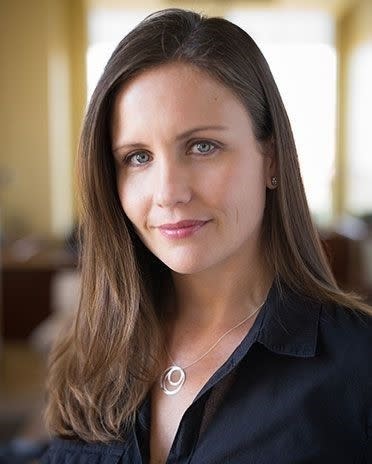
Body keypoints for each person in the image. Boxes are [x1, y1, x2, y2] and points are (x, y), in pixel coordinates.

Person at [41, 8, 372, 464]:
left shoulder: (358, 366)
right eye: (138, 157)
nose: (169, 193)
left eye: (202, 147)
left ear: (271, 159)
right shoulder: (89, 352)